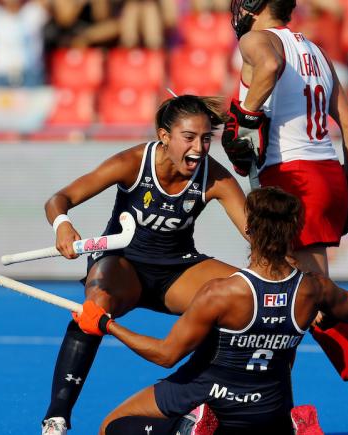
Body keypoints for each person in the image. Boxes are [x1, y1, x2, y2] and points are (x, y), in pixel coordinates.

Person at [221, 1, 348, 433]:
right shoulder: (315, 50)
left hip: (291, 175)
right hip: (326, 170)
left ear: (254, 6)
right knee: (302, 296)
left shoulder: (258, 40)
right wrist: (347, 180)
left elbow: (269, 66)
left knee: (302, 298)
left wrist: (243, 117)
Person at [71, 187, 348, 435]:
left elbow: (165, 355)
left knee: (111, 427)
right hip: (270, 406)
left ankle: (185, 430)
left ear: (249, 232)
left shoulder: (222, 292)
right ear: (293, 233)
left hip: (210, 395)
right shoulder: (312, 288)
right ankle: (292, 428)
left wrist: (105, 324)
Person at [40, 95, 248, 435]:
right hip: (123, 267)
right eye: (190, 137)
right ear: (164, 136)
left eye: (206, 138)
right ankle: (56, 417)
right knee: (95, 306)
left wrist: (289, 282)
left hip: (177, 270)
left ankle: (194, 398)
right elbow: (58, 199)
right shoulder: (134, 162)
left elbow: (257, 232)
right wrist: (62, 223)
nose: (199, 147)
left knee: (244, 295)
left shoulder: (215, 178)